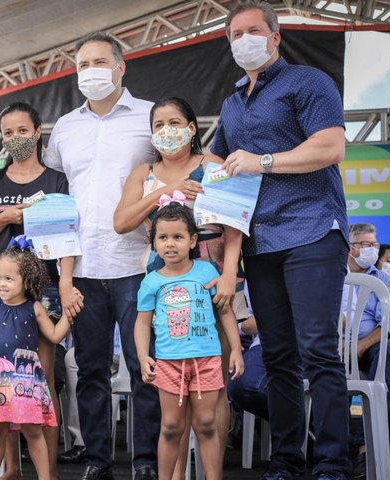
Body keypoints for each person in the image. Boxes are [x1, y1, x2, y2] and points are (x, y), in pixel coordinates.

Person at [0, 31, 161, 480]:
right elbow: (51, 189)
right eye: (82, 65)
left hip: (136, 262)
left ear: (121, 66)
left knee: (142, 369)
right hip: (79, 268)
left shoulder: (150, 117)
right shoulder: (65, 128)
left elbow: (176, 162)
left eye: (99, 62)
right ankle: (97, 461)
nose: (90, 71)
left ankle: (146, 464)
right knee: (91, 370)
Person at [210, 2, 350, 478]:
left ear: (275, 37)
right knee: (278, 355)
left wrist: (262, 161)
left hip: (312, 229)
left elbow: (331, 147)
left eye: (253, 30)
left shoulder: (309, 82)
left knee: (318, 349)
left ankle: (333, 461)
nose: (243, 39)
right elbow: (214, 161)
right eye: (234, 33)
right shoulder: (231, 103)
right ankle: (288, 460)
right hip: (259, 241)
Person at [114, 96, 247, 471]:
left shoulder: (215, 165)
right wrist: (162, 193)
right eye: (158, 125)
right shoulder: (144, 173)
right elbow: (121, 221)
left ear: (192, 128)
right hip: (165, 279)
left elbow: (235, 226)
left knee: (213, 383)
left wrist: (227, 278)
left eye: (174, 122)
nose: (166, 130)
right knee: (174, 384)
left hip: (214, 274)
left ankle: (211, 470)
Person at [0, 101, 82, 479]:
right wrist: (5, 217)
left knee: (41, 384)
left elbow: (68, 237)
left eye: (22, 131)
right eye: (7, 132)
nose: (15, 138)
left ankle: (45, 472)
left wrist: (65, 283)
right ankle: (12, 471)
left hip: (44, 287)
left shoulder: (56, 181)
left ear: (37, 132)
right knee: (0, 376)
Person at [135, 201, 243, 480]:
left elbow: (226, 312)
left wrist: (236, 350)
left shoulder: (207, 273)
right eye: (163, 238)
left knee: (206, 423)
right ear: (154, 242)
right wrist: (143, 355)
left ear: (193, 240)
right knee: (171, 426)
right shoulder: (151, 282)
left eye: (178, 237)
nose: (170, 244)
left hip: (206, 360)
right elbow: (142, 323)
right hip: (169, 364)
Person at [0, 246, 72, 480]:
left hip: (26, 381)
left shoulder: (34, 308)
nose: (1, 283)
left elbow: (53, 336)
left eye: (9, 278)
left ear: (27, 281)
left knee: (33, 431)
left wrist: (70, 314)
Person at [343, 224, 390, 477]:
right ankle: (329, 446)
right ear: (350, 247)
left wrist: (359, 346)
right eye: (366, 245)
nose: (372, 250)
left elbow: (387, 325)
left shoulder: (383, 281)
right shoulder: (331, 275)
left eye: (375, 245)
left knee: (383, 355)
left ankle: (365, 448)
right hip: (331, 346)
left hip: (367, 347)